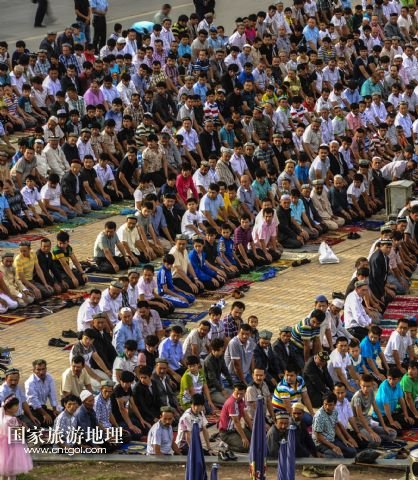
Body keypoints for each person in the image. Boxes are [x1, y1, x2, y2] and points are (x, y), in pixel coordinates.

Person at [350, 373, 396, 447]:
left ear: (372, 385)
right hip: (360, 426)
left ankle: (377, 438)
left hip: (369, 423)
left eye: (368, 386)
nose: (365, 389)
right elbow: (360, 416)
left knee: (393, 433)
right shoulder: (357, 397)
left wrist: (384, 426)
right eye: (363, 386)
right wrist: (371, 432)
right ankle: (374, 439)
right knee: (376, 441)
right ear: (360, 385)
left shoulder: (371, 392)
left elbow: (377, 410)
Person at [312, 392, 357, 458]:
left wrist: (344, 440)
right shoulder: (319, 416)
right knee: (339, 457)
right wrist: (333, 447)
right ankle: (320, 455)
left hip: (332, 439)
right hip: (321, 443)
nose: (327, 407)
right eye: (325, 404)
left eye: (330, 405)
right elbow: (318, 437)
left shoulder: (334, 411)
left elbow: (335, 427)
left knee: (352, 452)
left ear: (335, 404)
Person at [0, 394, 33, 479]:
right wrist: (23, 427)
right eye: (16, 405)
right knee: (12, 472)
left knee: (3, 471)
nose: (18, 407)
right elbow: (19, 433)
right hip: (13, 446)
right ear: (8, 408)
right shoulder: (13, 419)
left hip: (2, 446)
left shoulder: (2, 418)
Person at [374, 367, 415, 432]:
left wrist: (406, 415)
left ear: (399, 379)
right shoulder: (384, 386)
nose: (391, 381)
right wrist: (391, 421)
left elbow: (401, 400)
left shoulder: (398, 385)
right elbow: (386, 405)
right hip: (381, 416)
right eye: (389, 379)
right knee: (397, 430)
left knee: (409, 423)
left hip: (391, 413)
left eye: (394, 379)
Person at [218, 383, 252, 455]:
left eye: (241, 394)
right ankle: (225, 445)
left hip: (235, 430)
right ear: (233, 391)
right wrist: (243, 437)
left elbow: (246, 416)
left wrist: (253, 430)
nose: (239, 396)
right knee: (245, 447)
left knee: (254, 440)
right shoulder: (232, 403)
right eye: (237, 393)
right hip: (226, 433)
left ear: (245, 392)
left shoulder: (242, 400)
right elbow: (236, 422)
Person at [24, 359, 59, 427]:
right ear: (33, 370)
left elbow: (52, 395)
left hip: (43, 407)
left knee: (57, 418)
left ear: (46, 369)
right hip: (33, 410)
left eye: (43, 369)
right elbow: (34, 401)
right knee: (41, 424)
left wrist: (54, 409)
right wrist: (45, 414)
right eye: (38, 369)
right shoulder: (29, 383)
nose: (41, 372)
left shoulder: (49, 378)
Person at [203, 337, 233, 407]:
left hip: (220, 387)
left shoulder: (220, 356)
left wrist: (232, 385)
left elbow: (226, 372)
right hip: (211, 390)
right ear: (214, 350)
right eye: (221, 350)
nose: (223, 352)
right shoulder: (208, 361)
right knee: (229, 402)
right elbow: (212, 379)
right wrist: (222, 391)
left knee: (237, 396)